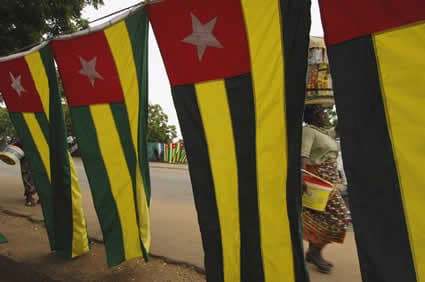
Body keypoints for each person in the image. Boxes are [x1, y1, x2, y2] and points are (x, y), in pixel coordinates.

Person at [301, 105, 350, 273]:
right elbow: (303, 155)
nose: (324, 115)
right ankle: (314, 252)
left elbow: (338, 129)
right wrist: (302, 178)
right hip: (317, 182)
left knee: (324, 217)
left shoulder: (324, 132)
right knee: (340, 217)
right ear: (312, 116)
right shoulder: (308, 132)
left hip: (328, 182)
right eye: (320, 112)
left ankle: (314, 252)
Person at [13, 141, 38, 207]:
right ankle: (29, 195)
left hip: (36, 148)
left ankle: (31, 195)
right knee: (27, 171)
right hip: (27, 148)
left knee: (37, 172)